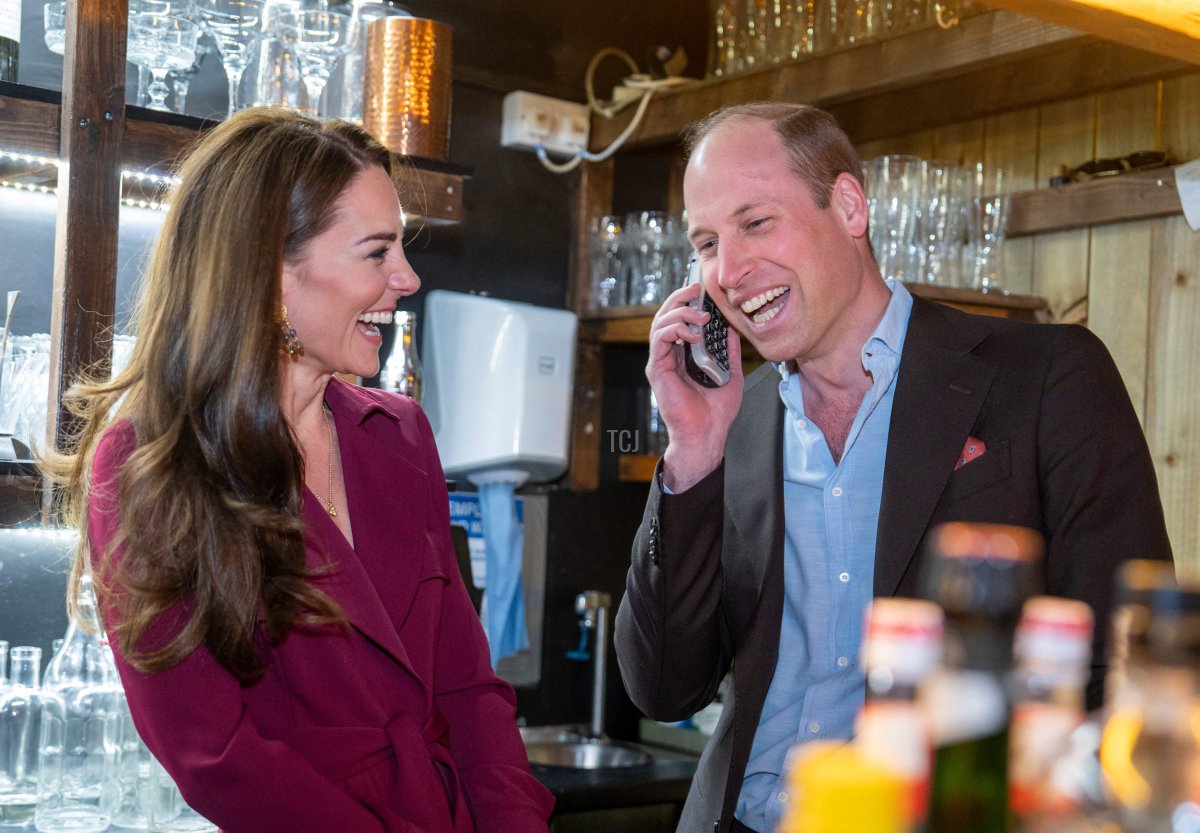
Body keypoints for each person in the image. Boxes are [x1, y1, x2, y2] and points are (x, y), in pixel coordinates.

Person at [613, 101, 1173, 833]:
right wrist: (691, 452)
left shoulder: (1046, 376)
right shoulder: (732, 423)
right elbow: (662, 687)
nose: (729, 270)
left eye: (755, 223)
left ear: (848, 206)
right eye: (707, 241)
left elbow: (1125, 667)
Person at [43, 108, 554, 833]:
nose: (407, 278)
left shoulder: (401, 434)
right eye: (376, 252)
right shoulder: (146, 465)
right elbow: (216, 756)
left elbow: (471, 688)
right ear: (268, 271)